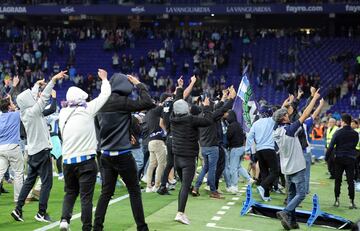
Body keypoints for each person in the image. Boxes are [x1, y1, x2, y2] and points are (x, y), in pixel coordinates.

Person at [93, 73, 155, 231]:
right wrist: (138, 83)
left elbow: (98, 129)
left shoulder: (100, 103)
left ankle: (97, 227)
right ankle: (142, 228)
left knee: (106, 193)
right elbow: (148, 102)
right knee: (134, 191)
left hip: (106, 155)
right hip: (123, 154)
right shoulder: (123, 102)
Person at [11, 71, 67, 223]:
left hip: (33, 152)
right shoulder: (33, 111)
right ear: (29, 101)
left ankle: (18, 209)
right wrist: (53, 80)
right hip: (42, 151)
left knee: (29, 181)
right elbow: (44, 97)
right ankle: (41, 213)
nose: (34, 96)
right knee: (47, 183)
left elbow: (34, 97)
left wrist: (36, 85)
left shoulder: (25, 111)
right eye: (32, 97)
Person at [58, 69, 110, 231]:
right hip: (86, 160)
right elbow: (105, 95)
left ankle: (64, 220)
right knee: (86, 197)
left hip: (67, 161)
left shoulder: (62, 113)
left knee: (70, 192)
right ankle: (86, 227)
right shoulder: (88, 109)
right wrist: (104, 79)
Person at [273, 89, 321, 230]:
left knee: (292, 195)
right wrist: (314, 98)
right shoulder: (290, 130)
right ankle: (285, 212)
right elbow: (306, 114)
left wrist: (287, 104)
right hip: (297, 166)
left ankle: (292, 221)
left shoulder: (276, 130)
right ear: (284, 119)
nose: (289, 116)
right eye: (287, 115)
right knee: (300, 194)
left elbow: (277, 116)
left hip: (286, 167)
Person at [171, 90, 212, 225]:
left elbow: (175, 104)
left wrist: (180, 90)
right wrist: (206, 106)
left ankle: (181, 211)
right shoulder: (190, 119)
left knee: (185, 186)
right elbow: (207, 121)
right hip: (188, 160)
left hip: (177, 158)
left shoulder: (173, 118)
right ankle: (180, 213)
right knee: (185, 186)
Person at [192, 87, 235, 199]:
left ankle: (196, 187)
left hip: (204, 147)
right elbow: (223, 109)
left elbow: (218, 109)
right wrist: (231, 98)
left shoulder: (199, 117)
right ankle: (213, 191)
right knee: (212, 169)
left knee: (205, 168)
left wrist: (223, 98)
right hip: (212, 147)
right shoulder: (212, 116)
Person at [246, 105, 278, 201]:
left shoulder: (255, 123)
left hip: (259, 150)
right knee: (274, 172)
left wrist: (248, 149)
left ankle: (266, 195)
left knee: (264, 173)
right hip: (269, 149)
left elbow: (250, 136)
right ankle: (262, 186)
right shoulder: (271, 121)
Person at [326, 114, 359, 209]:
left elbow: (331, 146)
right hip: (351, 159)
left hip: (339, 159)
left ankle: (337, 200)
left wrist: (326, 157)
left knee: (338, 180)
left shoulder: (338, 132)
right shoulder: (355, 133)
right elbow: (354, 145)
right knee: (350, 181)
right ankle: (351, 202)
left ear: (343, 121)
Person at [0, 96, 24, 203]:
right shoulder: (15, 115)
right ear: (9, 106)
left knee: (0, 173)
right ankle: (18, 200)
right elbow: (21, 108)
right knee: (18, 173)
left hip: (1, 148)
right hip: (13, 147)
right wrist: (12, 104)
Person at [224, 109, 253, 194]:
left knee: (233, 168)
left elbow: (228, 137)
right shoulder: (238, 125)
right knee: (238, 166)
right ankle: (248, 179)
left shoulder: (231, 126)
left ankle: (234, 186)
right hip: (241, 148)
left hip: (235, 149)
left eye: (228, 115)